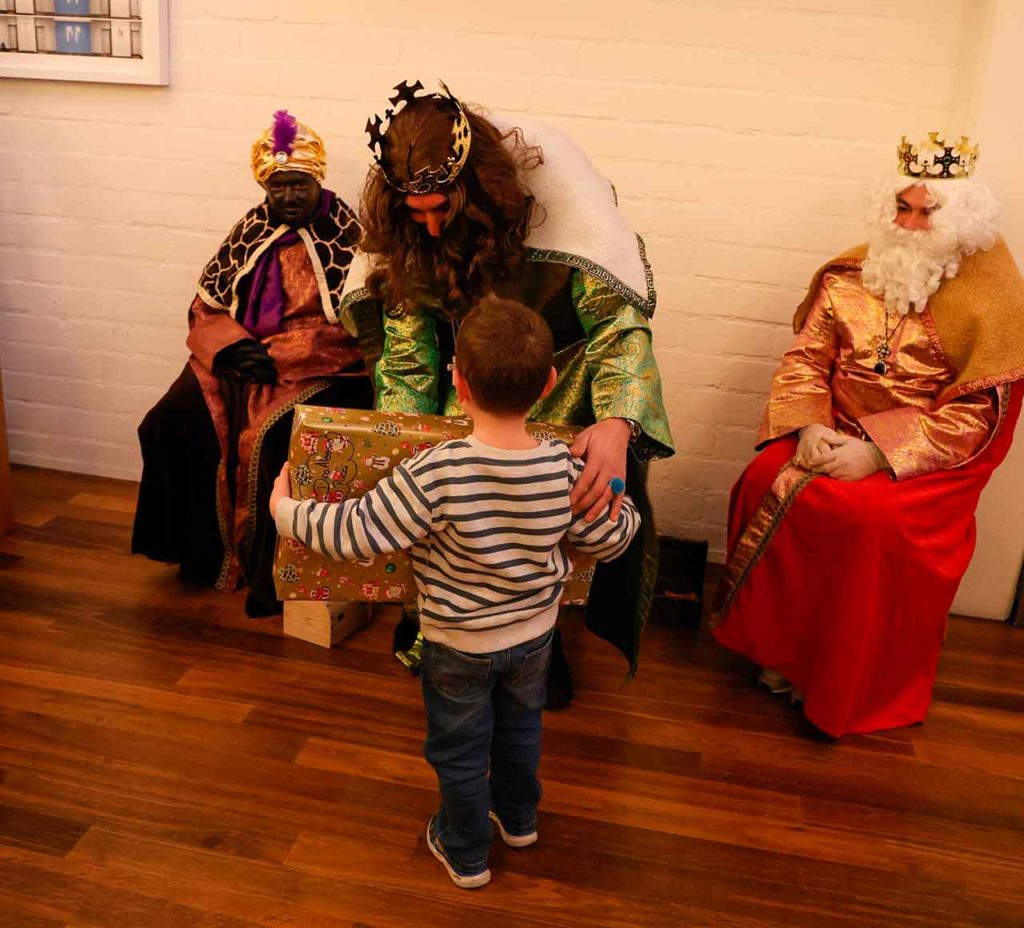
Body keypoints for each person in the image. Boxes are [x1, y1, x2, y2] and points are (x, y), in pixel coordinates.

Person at [270, 298, 640, 887]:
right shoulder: (564, 470)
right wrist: (621, 501)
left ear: (457, 382)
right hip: (534, 641)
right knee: (521, 734)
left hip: (456, 646)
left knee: (460, 749)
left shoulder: (435, 471)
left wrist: (285, 510)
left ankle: (466, 851)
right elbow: (615, 539)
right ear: (548, 383)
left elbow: (354, 532)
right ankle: (518, 820)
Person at [340, 79, 674, 704]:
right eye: (419, 216)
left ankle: (540, 638)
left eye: (445, 211)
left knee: (551, 494)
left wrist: (619, 424)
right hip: (465, 388)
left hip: (557, 378)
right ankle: (435, 624)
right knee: (446, 483)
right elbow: (408, 357)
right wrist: (407, 447)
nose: (434, 229)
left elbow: (619, 330)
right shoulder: (415, 241)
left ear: (481, 197)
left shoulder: (563, 219)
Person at [711, 133, 1024, 739]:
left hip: (919, 456)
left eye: (925, 212)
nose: (908, 224)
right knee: (761, 477)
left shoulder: (995, 299)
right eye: (900, 209)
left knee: (865, 521)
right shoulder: (850, 273)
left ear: (958, 217)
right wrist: (809, 424)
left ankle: (839, 681)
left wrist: (880, 453)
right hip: (830, 428)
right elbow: (806, 359)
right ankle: (780, 658)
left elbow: (978, 418)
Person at [131, 110, 371, 616]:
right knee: (169, 420)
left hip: (319, 367)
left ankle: (270, 579)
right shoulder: (253, 226)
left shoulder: (348, 233)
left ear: (317, 180)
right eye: (277, 186)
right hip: (238, 357)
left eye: (298, 185)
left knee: (269, 442)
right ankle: (198, 556)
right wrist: (229, 346)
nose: (288, 196)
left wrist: (289, 352)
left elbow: (364, 324)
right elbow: (207, 304)